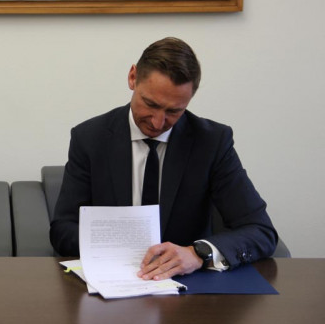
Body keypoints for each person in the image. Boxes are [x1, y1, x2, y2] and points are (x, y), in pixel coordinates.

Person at [50, 37, 277, 280]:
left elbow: (260, 231)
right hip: (112, 284)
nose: (158, 122)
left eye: (173, 111)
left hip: (188, 289)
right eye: (150, 104)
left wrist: (198, 253)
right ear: (132, 77)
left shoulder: (212, 143)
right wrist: (115, 245)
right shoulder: (90, 138)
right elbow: (63, 230)